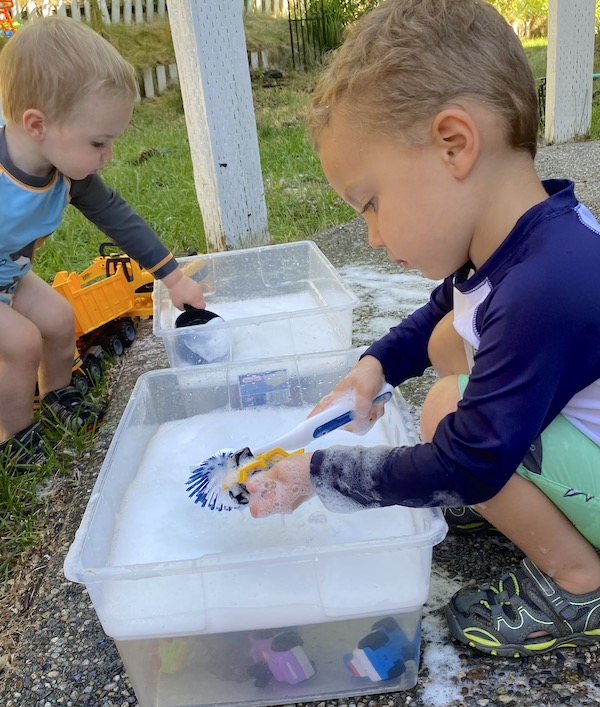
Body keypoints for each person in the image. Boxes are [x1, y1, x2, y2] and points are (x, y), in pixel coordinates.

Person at [245, 0, 600, 658]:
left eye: (371, 204)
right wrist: (371, 369)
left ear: (454, 144)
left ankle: (580, 582)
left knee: (445, 411)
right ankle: (522, 501)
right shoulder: (517, 242)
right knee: (447, 344)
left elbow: (467, 461)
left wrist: (319, 475)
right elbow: (439, 316)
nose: (373, 237)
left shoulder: (547, 286)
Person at [0, 17, 206, 467]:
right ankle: (13, 438)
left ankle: (57, 396)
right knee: (18, 342)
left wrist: (173, 278)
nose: (107, 156)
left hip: (7, 273)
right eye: (98, 142)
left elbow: (120, 219)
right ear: (37, 125)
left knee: (57, 317)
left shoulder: (67, 175)